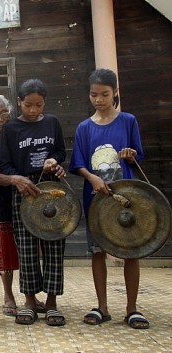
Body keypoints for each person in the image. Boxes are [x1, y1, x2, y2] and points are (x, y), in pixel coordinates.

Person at [69, 68, 148, 329]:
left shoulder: (128, 121)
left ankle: (132, 308)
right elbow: (78, 163)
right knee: (97, 252)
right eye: (94, 94)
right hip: (96, 200)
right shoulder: (84, 127)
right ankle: (102, 307)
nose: (99, 99)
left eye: (104, 94)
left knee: (130, 252)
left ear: (115, 92)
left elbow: (138, 156)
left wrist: (129, 154)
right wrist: (91, 177)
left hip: (126, 198)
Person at [0, 79, 67, 326]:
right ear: (19, 102)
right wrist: (16, 179)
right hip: (24, 189)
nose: (34, 110)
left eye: (39, 105)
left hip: (51, 189)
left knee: (54, 245)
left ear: (44, 104)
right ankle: (29, 301)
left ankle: (51, 303)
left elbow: (60, 151)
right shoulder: (11, 129)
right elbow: (4, 164)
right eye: (28, 105)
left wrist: (53, 160)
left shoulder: (52, 123)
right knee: (26, 248)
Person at [0, 94, 46, 317]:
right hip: (1, 196)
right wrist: (13, 180)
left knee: (29, 246)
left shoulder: (21, 131)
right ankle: (8, 295)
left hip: (27, 196)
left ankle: (32, 294)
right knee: (5, 245)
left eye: (3, 113)